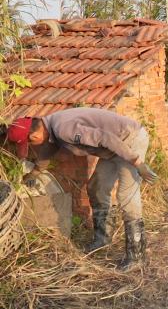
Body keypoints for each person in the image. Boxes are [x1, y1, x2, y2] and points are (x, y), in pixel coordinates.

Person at [7, 108, 158, 271]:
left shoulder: (63, 129)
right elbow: (47, 153)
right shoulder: (50, 127)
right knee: (96, 187)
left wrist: (137, 163)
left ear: (35, 136)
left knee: (126, 194)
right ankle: (103, 239)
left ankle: (136, 256)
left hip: (129, 141)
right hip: (113, 148)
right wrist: (33, 174)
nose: (31, 146)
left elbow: (104, 137)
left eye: (29, 143)